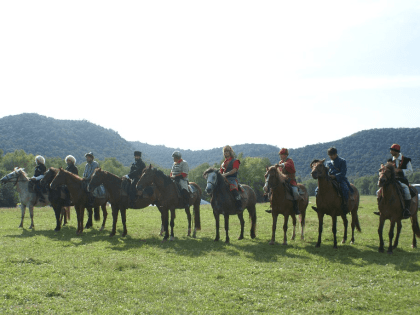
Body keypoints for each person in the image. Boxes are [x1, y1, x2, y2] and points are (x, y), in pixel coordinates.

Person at [317, 147, 353, 214]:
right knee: (317, 189)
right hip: (329, 179)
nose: (330, 157)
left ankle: (345, 205)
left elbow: (343, 173)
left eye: (331, 155)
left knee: (344, 188)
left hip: (339, 179)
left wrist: (335, 176)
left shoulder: (342, 161)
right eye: (329, 155)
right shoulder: (328, 163)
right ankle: (319, 205)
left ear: (335, 154)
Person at [388, 143, 413, 219]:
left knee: (406, 191)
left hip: (402, 180)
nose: (390, 152)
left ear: (396, 151)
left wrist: (400, 170)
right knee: (379, 191)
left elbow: (410, 171)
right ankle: (382, 209)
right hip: (392, 181)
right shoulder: (389, 161)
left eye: (392, 150)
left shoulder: (406, 160)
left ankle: (406, 209)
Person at [277, 148, 300, 215]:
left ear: (286, 155)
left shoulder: (290, 161)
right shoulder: (280, 162)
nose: (281, 156)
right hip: (282, 181)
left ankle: (296, 208)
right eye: (280, 155)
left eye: (282, 155)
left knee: (295, 192)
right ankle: (273, 206)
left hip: (291, 181)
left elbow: (287, 165)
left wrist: (280, 165)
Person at [220, 145, 242, 213]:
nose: (225, 153)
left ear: (230, 152)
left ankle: (239, 205)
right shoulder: (223, 163)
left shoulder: (235, 161)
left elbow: (234, 170)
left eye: (227, 151)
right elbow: (221, 172)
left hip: (232, 179)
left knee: (234, 190)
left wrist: (225, 174)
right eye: (224, 151)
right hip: (223, 179)